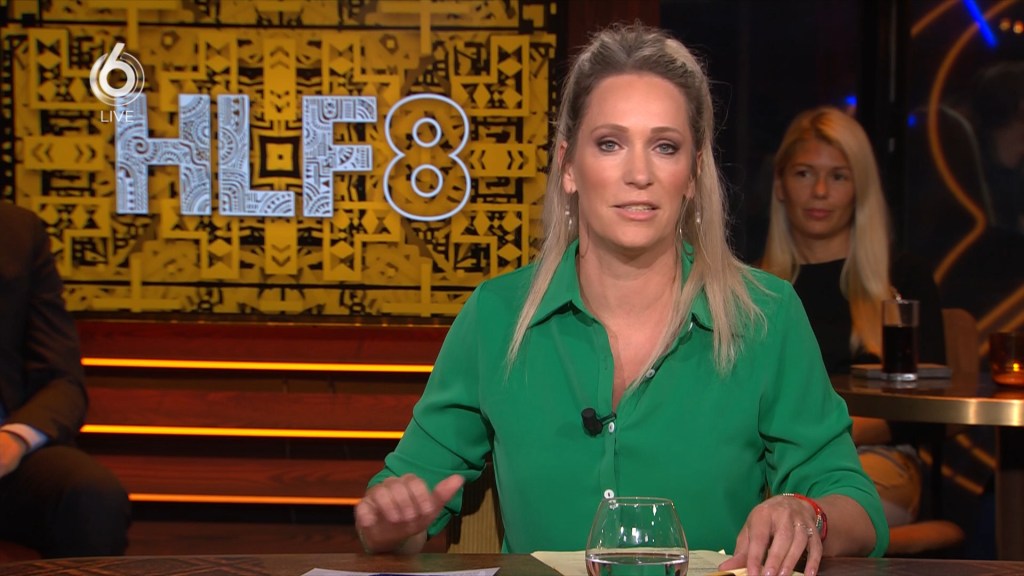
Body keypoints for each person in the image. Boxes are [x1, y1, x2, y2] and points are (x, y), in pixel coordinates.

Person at [356, 24, 887, 576]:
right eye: (610, 143)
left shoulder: (765, 315)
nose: (639, 174)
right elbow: (397, 511)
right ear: (568, 166)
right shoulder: (497, 315)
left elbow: (857, 506)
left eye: (665, 147)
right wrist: (393, 520)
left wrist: (808, 514)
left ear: (693, 173)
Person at [761, 107, 946, 528]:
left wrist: (827, 435)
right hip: (772, 462)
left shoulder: (903, 281)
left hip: (876, 459)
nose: (820, 191)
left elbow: (931, 412)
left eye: (839, 177)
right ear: (780, 185)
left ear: (860, 188)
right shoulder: (752, 290)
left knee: (797, 519)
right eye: (804, 174)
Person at [0, 202, 131, 557]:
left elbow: (62, 379)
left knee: (92, 496)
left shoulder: (17, 231)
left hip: (8, 459)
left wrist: (14, 440)